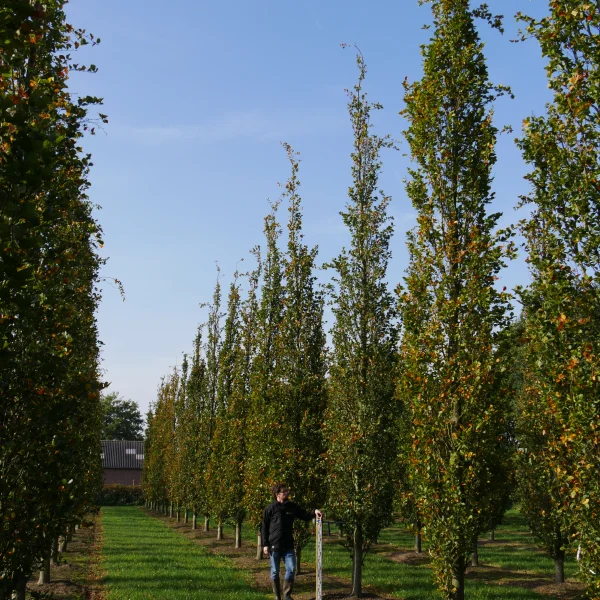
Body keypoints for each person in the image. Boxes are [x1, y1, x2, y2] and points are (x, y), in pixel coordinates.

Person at [262, 482, 322, 600]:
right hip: (275, 544)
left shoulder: (292, 507)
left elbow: (304, 515)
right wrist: (265, 544)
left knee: (291, 568)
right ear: (277, 494)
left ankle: (287, 594)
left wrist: (314, 511)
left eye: (287, 491)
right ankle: (277, 596)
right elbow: (264, 527)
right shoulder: (270, 509)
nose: (286, 493)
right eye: (284, 492)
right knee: (274, 571)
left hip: (288, 544)